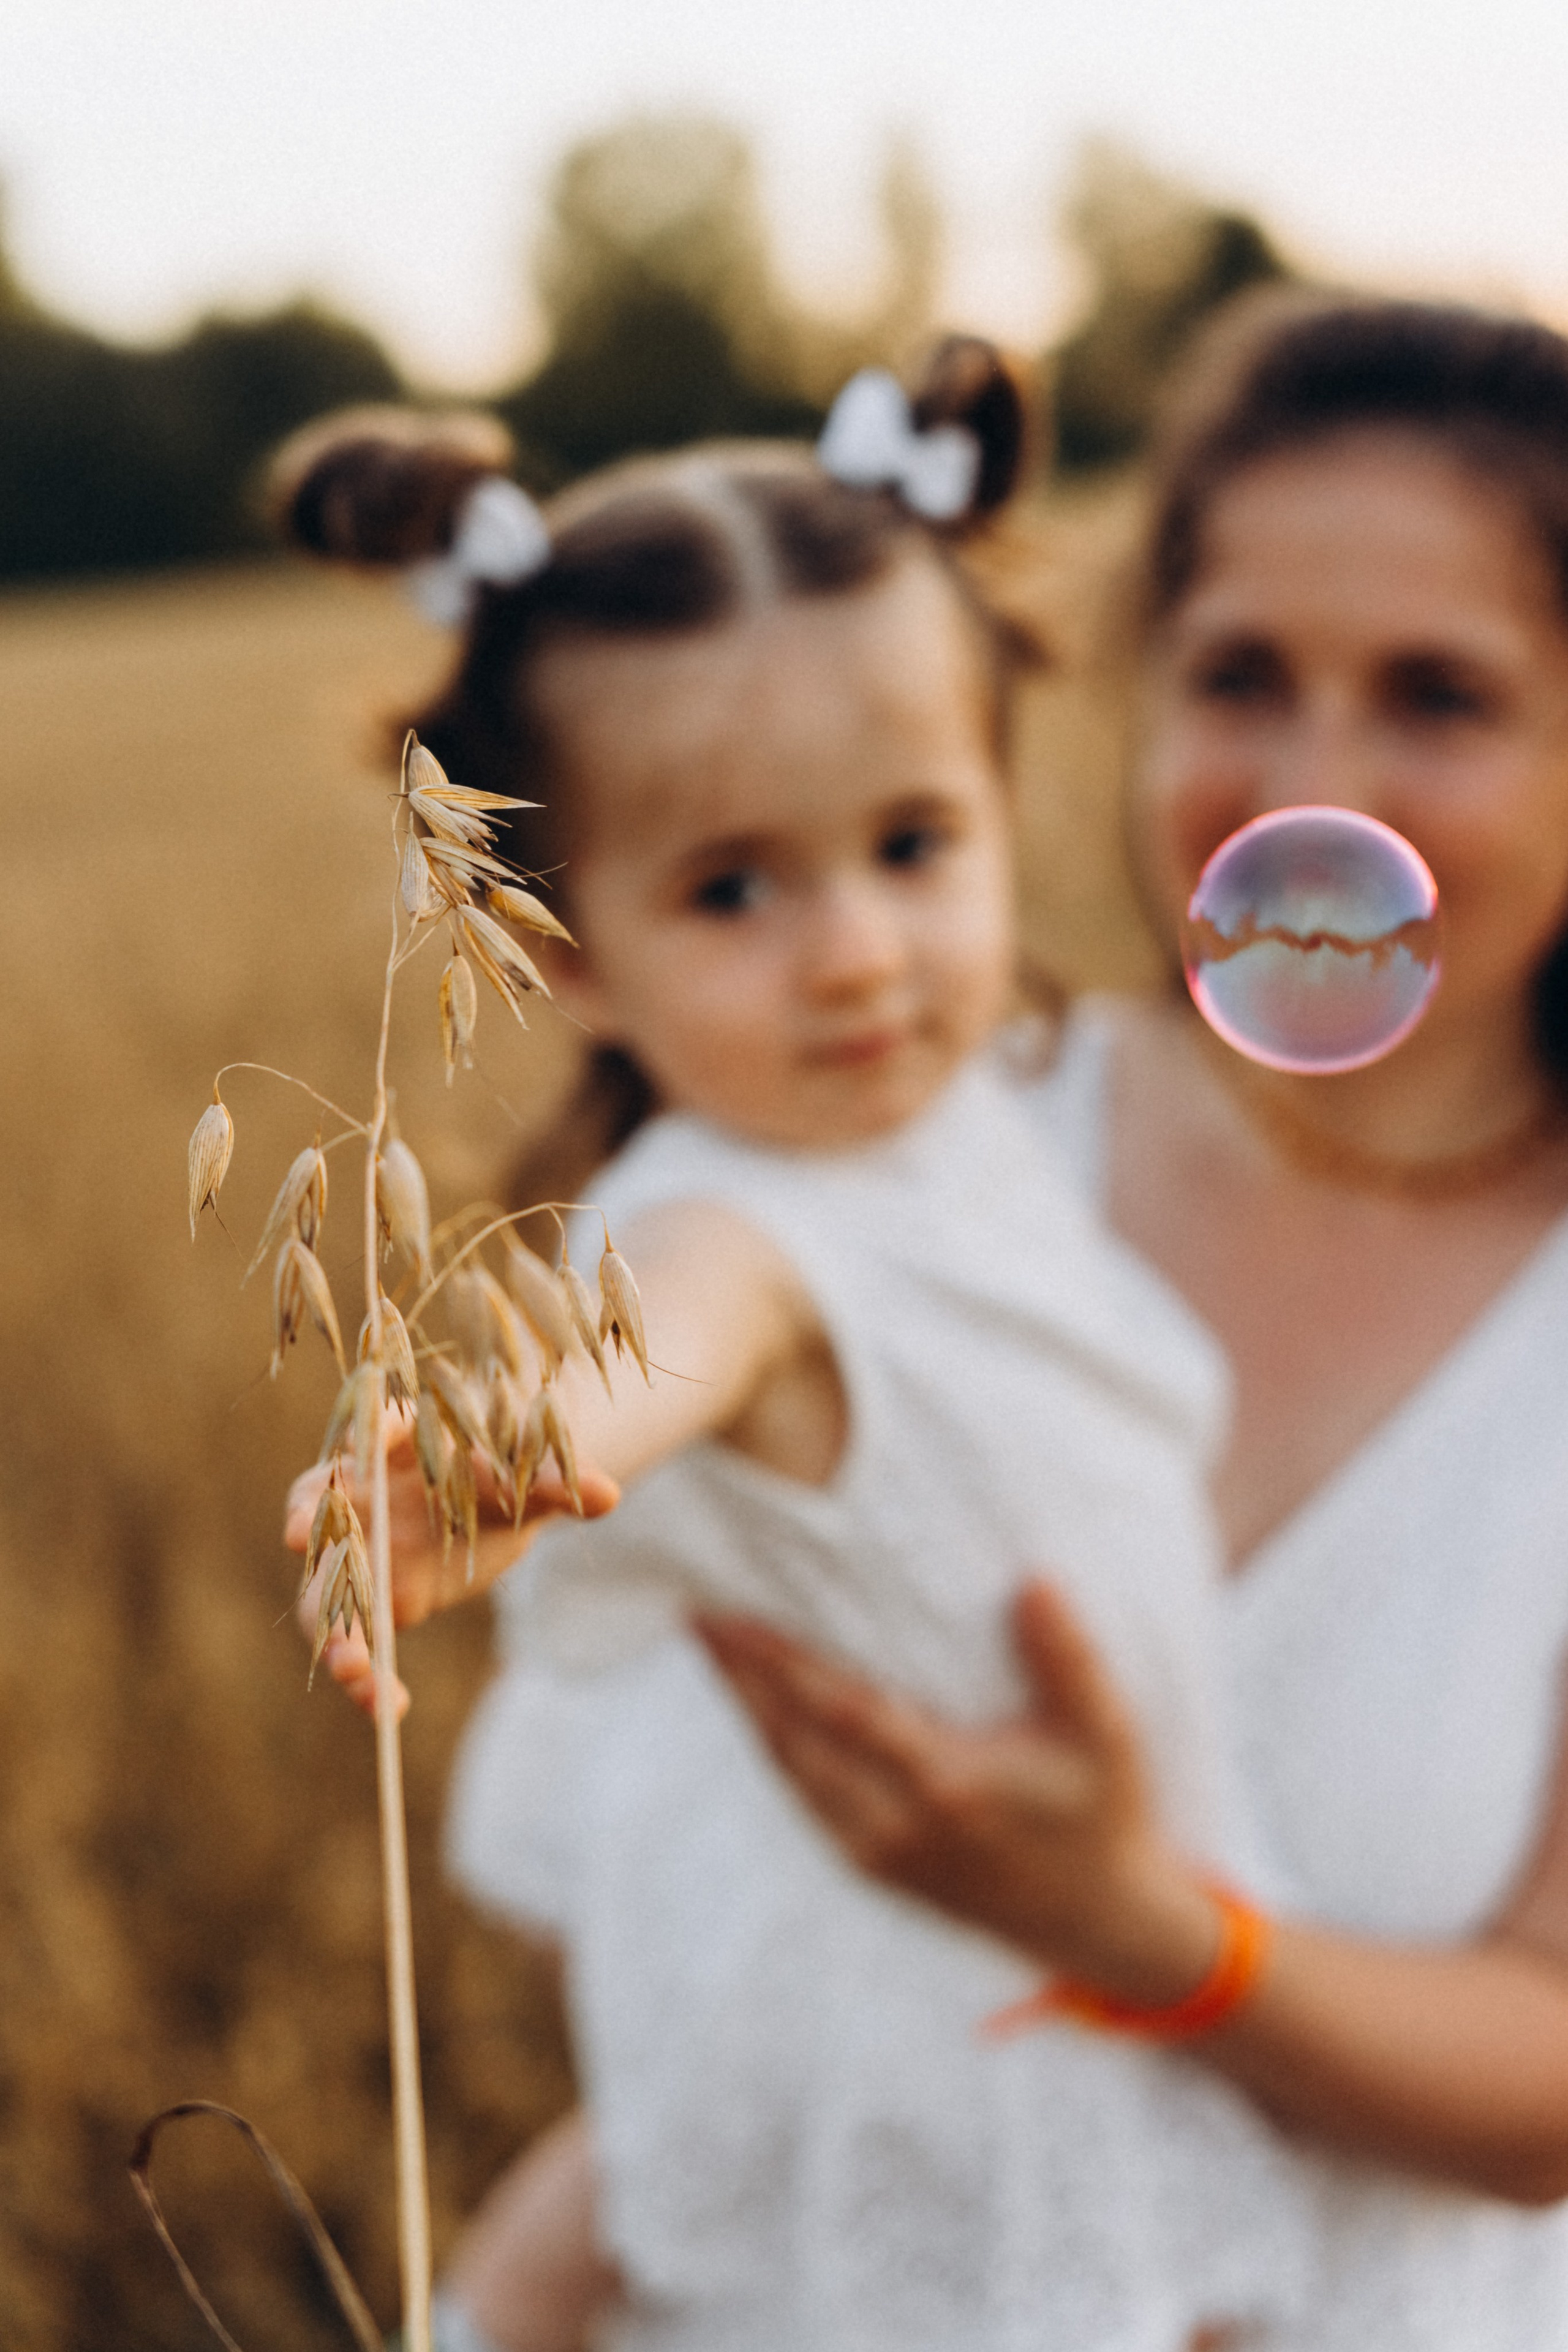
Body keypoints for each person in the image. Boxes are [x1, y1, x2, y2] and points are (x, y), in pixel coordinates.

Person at [279, 347, 1310, 2352]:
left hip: (1034, 1917)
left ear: (998, 813)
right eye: (735, 887)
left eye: (914, 846)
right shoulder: (738, 1228)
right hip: (927, 2009)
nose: (853, 949)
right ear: (571, 956)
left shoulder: (974, 1118)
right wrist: (497, 1462)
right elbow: (664, 1352)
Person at [698, 292, 1568, 2350]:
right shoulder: (945, 1156)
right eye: (1239, 675)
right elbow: (734, 1947)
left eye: (1437, 694)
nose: (1309, 782)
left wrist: (1130, 1928)